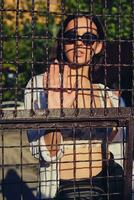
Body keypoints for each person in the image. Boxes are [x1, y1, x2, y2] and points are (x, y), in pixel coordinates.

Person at [25, 14, 124, 199]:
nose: (79, 43)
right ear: (62, 43)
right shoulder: (41, 85)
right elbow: (43, 152)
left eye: (88, 38)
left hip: (110, 180)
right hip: (66, 189)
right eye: (71, 36)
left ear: (98, 45)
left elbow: (113, 142)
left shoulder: (105, 93)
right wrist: (55, 115)